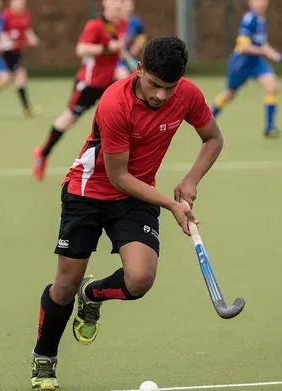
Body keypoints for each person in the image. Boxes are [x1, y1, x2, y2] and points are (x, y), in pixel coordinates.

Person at [29, 37, 224, 390]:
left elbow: (213, 138)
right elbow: (118, 176)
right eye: (154, 85)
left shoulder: (188, 95)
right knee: (64, 287)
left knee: (140, 279)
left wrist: (191, 180)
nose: (161, 96)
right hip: (87, 192)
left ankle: (94, 295)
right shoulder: (113, 103)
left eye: (169, 87)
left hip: (136, 195)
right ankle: (45, 357)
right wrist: (170, 203)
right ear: (139, 69)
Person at [31, 0, 128, 181]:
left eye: (121, 2)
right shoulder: (95, 25)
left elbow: (116, 55)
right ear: (105, 3)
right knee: (68, 119)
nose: (119, 5)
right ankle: (42, 154)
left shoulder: (122, 24)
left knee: (121, 118)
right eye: (115, 1)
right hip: (89, 84)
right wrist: (107, 48)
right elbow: (81, 49)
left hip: (110, 83)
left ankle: (117, 166)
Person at [209, 0, 282, 137]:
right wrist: (265, 52)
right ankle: (208, 119)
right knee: (229, 94)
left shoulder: (262, 19)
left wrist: (271, 51)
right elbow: (243, 48)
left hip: (256, 62)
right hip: (241, 63)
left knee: (272, 86)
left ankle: (269, 128)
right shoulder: (249, 20)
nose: (261, 3)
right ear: (250, 2)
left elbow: (262, 42)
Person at [1, 0, 41, 116]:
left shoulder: (25, 14)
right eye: (18, 2)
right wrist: (6, 42)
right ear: (11, 3)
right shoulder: (5, 15)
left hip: (17, 52)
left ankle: (27, 108)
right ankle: (27, 108)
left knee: (13, 79)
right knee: (16, 77)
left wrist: (32, 37)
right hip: (6, 53)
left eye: (23, 3)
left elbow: (26, 29)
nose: (21, 4)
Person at [114, 0, 146, 80]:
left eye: (130, 4)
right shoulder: (114, 22)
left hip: (129, 57)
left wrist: (137, 46)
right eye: (125, 5)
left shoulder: (136, 22)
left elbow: (142, 35)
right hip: (117, 60)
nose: (128, 7)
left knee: (143, 76)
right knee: (124, 77)